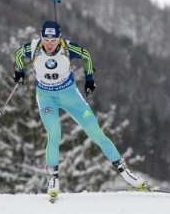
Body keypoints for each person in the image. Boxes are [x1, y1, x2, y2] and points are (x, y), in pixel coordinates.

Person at [13, 20, 145, 196]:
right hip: (46, 97)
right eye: (46, 39)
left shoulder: (68, 48)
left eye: (53, 40)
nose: (50, 44)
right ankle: (53, 178)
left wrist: (89, 80)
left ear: (59, 38)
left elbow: (86, 56)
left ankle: (126, 174)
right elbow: (19, 53)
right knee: (54, 133)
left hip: (70, 96)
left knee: (96, 132)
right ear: (41, 37)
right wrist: (19, 71)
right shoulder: (34, 48)